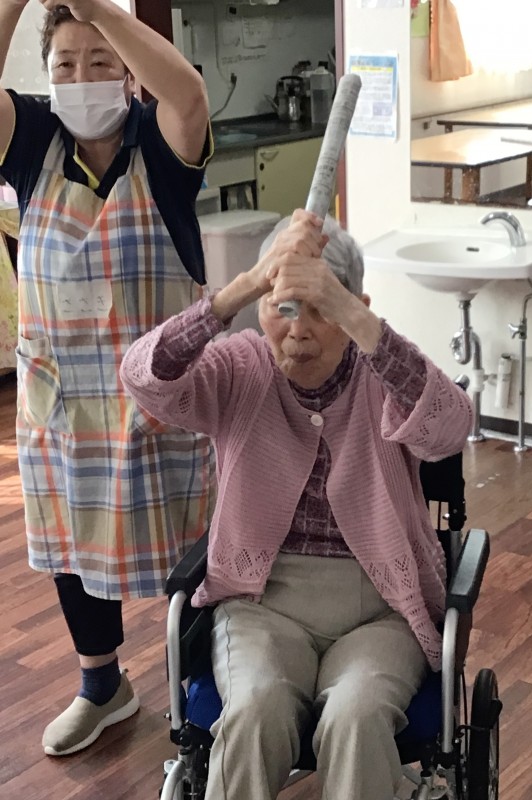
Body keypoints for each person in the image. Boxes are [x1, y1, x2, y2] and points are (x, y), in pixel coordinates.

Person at [120, 210, 473, 800]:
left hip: (381, 606)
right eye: (280, 306)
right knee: (254, 708)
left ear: (354, 309)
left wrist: (361, 322)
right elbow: (143, 377)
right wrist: (239, 289)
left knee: (357, 717)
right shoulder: (240, 367)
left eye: (321, 310)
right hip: (261, 604)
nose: (297, 331)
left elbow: (450, 427)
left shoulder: (382, 374)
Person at [0, 0, 216, 756]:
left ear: (128, 75)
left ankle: (207, 687)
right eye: (65, 64)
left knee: (195, 550)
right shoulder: (32, 140)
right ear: (46, 76)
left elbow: (187, 92)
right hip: (64, 403)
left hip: (159, 401)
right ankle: (102, 685)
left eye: (101, 63)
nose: (82, 77)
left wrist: (97, 9)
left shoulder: (160, 143)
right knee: (70, 543)